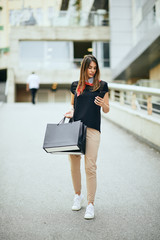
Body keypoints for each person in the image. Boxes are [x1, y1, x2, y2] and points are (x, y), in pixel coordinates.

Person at [65, 55, 110, 220]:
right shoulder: (75, 86)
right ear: (83, 68)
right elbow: (72, 105)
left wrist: (102, 104)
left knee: (90, 166)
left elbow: (107, 110)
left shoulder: (102, 86)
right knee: (74, 163)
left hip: (93, 129)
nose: (92, 71)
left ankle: (90, 204)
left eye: (95, 68)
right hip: (76, 128)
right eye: (89, 67)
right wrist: (69, 111)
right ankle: (78, 195)